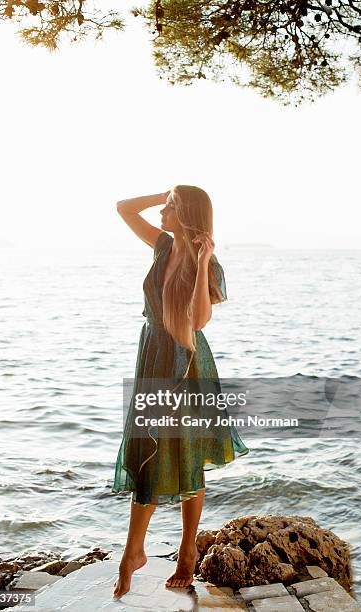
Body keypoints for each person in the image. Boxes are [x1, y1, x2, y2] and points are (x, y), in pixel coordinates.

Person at [111, 185, 249, 599]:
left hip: (186, 363)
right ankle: (135, 550)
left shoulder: (209, 264)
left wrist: (204, 258)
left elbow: (200, 322)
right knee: (147, 448)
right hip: (153, 356)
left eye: (170, 208)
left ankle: (186, 551)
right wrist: (164, 193)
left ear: (185, 214)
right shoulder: (162, 245)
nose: (161, 213)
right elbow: (123, 207)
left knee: (186, 453)